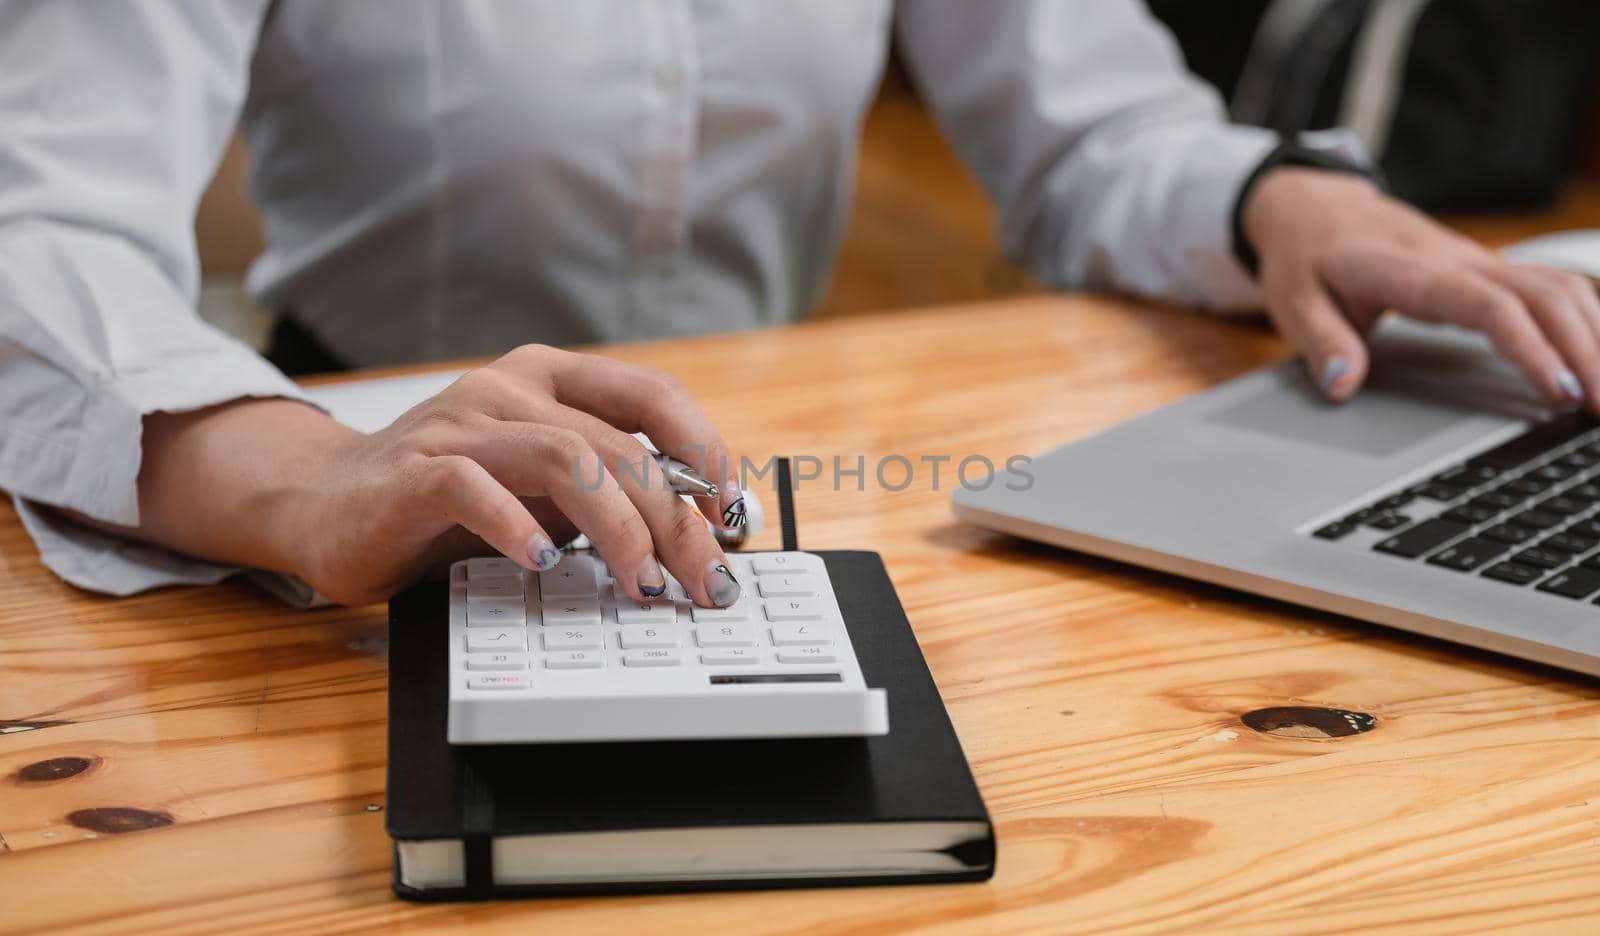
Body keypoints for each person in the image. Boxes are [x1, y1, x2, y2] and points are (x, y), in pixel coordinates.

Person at [2, 1, 1596, 606]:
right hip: (360, 464)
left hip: (770, 484)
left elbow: (1095, 128)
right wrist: (299, 476)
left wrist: (1280, 197)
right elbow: (42, 221)